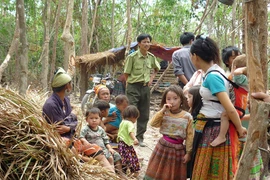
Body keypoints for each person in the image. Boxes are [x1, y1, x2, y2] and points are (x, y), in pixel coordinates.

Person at [190, 35, 247, 179]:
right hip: (211, 126)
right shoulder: (212, 73)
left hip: (213, 130)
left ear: (195, 56)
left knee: (211, 173)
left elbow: (229, 108)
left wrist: (240, 128)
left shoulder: (213, 77)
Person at [42, 67, 113, 172]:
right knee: (74, 153)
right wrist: (70, 122)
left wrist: (69, 125)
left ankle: (113, 174)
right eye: (70, 83)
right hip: (59, 141)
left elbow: (73, 120)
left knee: (96, 150)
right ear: (67, 85)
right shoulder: (51, 104)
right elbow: (59, 127)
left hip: (71, 138)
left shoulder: (65, 100)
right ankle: (89, 164)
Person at [144, 85, 193, 180]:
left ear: (181, 100)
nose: (172, 102)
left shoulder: (187, 117)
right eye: (168, 99)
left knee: (172, 173)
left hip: (177, 149)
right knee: (157, 170)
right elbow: (153, 124)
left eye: (175, 98)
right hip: (162, 146)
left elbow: (190, 136)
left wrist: (188, 153)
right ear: (165, 101)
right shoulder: (164, 113)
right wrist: (162, 111)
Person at [124, 33, 161, 147]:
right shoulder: (132, 57)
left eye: (148, 41)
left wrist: (151, 79)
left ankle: (140, 138)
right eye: (144, 42)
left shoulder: (151, 57)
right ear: (139, 44)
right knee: (130, 111)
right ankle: (126, 137)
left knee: (144, 113)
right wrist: (129, 85)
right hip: (133, 87)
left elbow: (156, 68)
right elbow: (126, 74)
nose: (147, 44)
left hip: (145, 88)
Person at [211, 54, 248, 147]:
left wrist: (243, 69)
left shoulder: (243, 79)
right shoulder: (237, 79)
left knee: (225, 115)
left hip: (239, 107)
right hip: (237, 105)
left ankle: (222, 136)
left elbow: (236, 73)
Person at [79, 107, 123, 175]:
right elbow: (81, 136)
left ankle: (116, 173)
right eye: (91, 118)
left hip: (104, 149)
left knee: (113, 156)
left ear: (100, 119)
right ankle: (110, 173)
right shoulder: (86, 129)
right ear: (86, 120)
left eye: (96, 118)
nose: (94, 120)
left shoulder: (100, 129)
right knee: (106, 159)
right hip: (94, 150)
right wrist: (85, 141)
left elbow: (106, 140)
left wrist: (110, 148)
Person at [117, 105, 141, 178]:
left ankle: (125, 171)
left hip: (120, 143)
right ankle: (133, 172)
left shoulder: (123, 122)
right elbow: (131, 132)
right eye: (136, 118)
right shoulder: (130, 123)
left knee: (124, 157)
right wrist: (135, 139)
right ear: (133, 117)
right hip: (126, 144)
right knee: (132, 158)